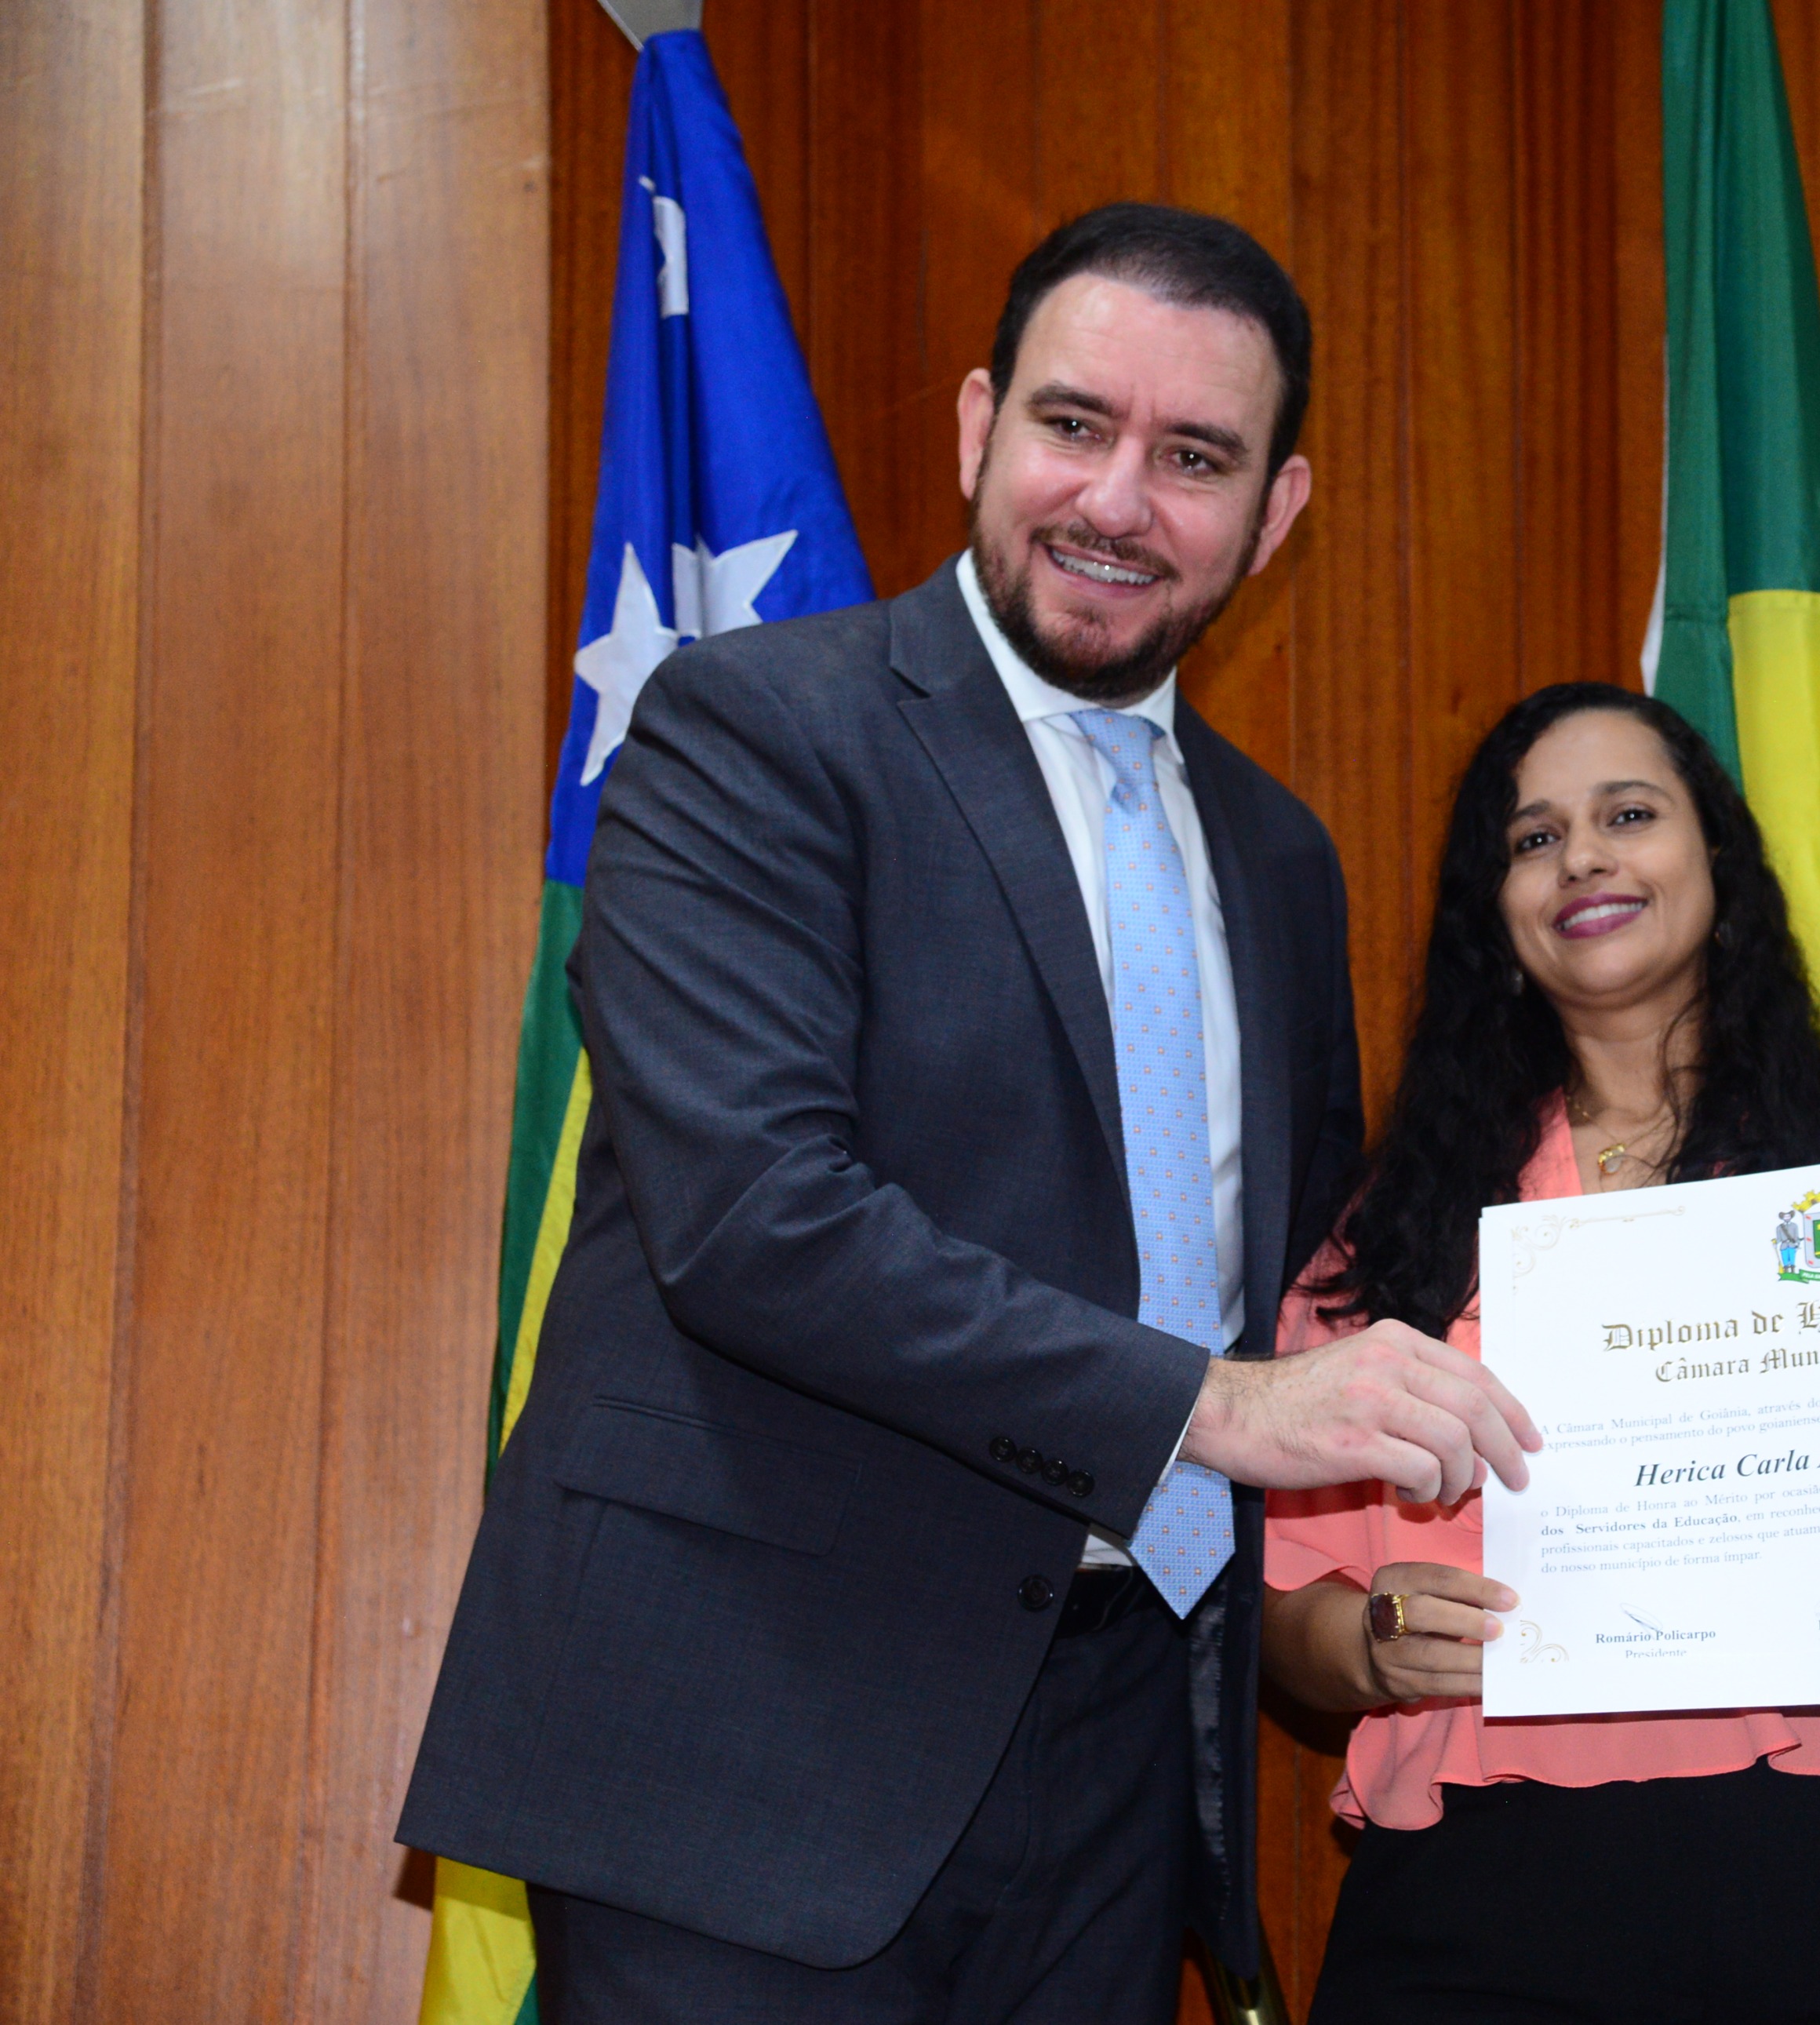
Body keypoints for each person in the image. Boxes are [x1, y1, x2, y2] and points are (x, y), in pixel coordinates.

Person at [397, 204, 1538, 2023]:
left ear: (1278, 511)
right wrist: (1222, 1407)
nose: (1117, 501)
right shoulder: (754, 728)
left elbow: (1308, 1285)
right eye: (1074, 425)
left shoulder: (1281, 858)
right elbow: (759, 1220)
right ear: (976, 427)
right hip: (750, 1736)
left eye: (1195, 459)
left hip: (1117, 1765)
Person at [1264, 683, 1820, 2024]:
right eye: (1534, 837)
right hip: (1495, 1893)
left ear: (1718, 859)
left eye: (1628, 814)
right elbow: (1291, 1609)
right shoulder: (1402, 1219)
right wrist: (1378, 1639)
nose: (1583, 856)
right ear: (1495, 915)